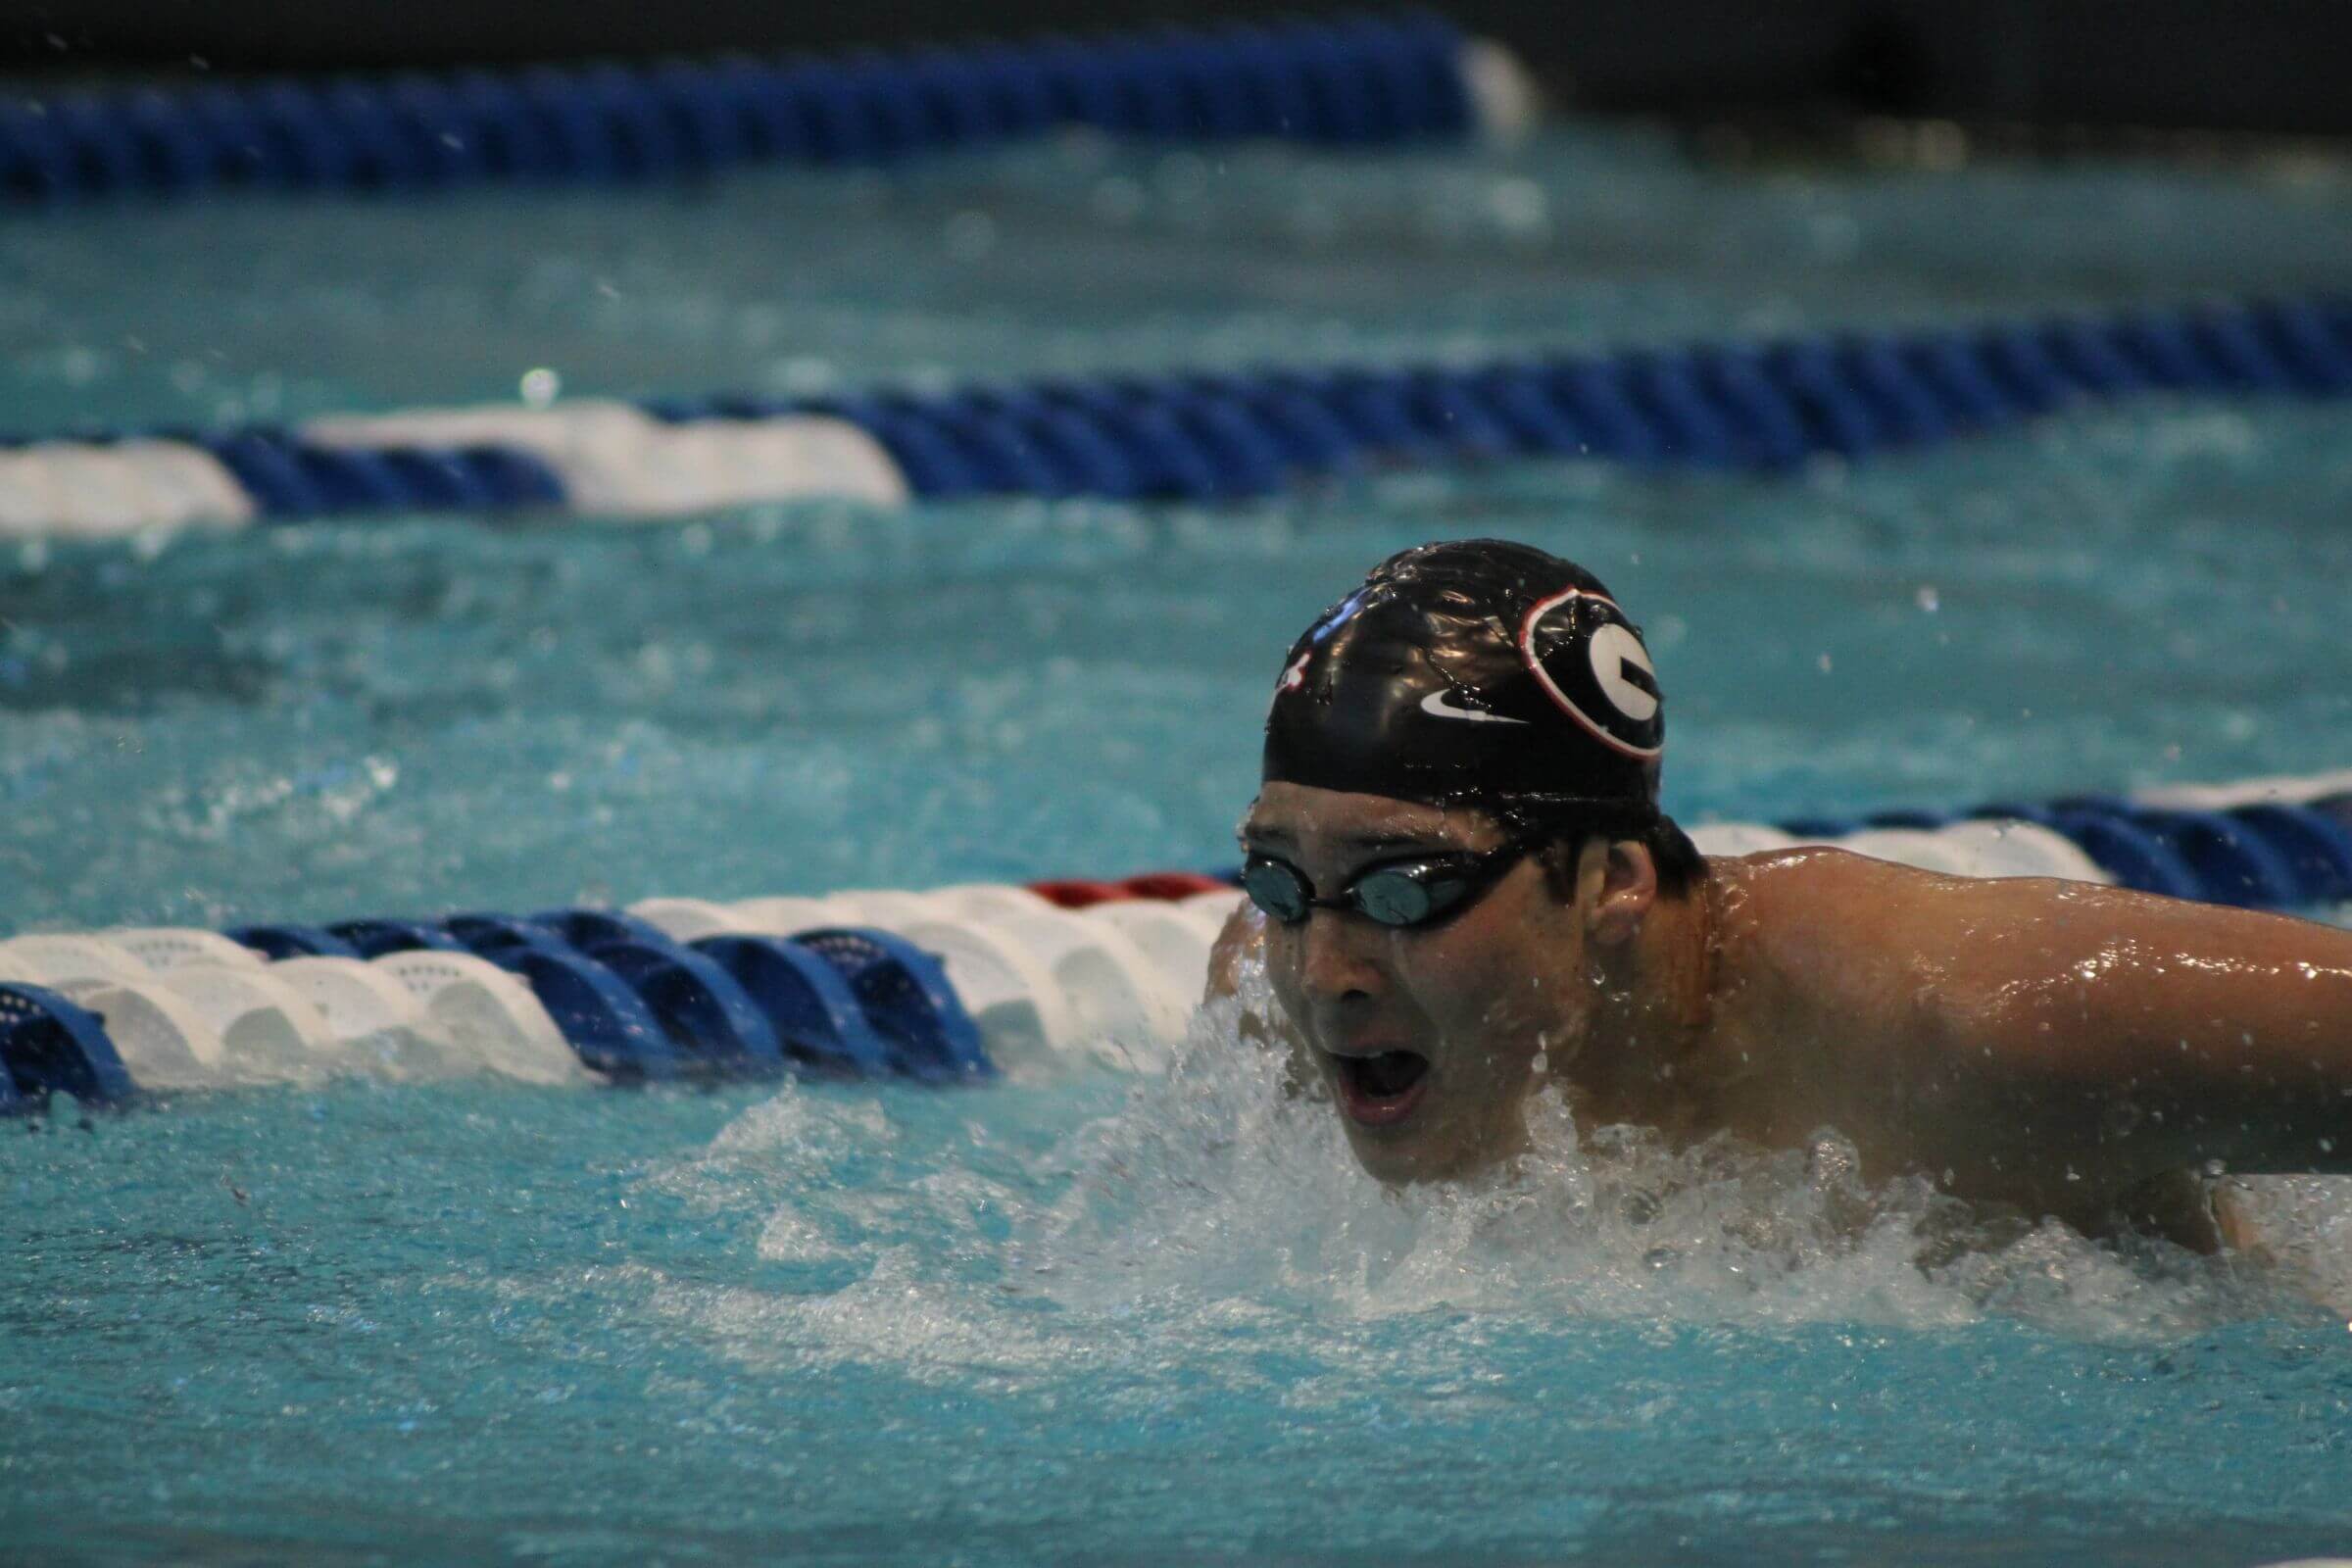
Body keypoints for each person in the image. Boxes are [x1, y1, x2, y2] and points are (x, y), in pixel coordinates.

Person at [1210, 538, 2352, 1250]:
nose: (1324, 975)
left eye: (1404, 888)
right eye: (1280, 878)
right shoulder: (1273, 1008)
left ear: (1609, 879)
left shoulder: (1972, 1027)